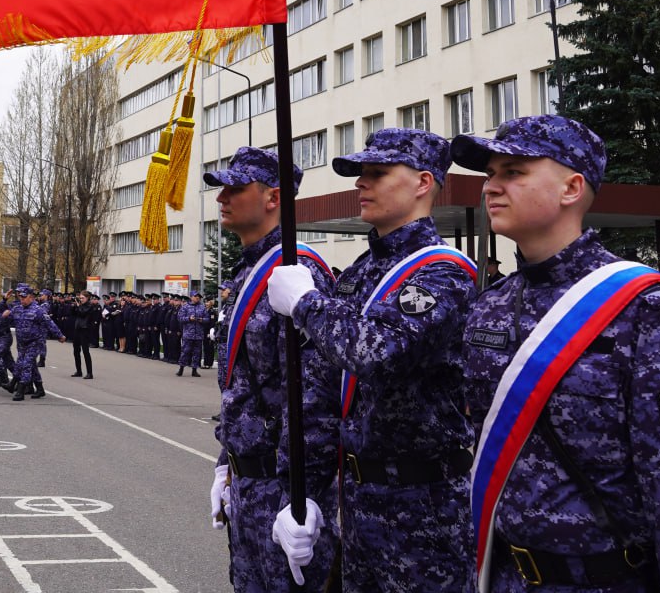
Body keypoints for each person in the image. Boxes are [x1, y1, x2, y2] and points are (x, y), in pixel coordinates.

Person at [450, 115, 660, 593]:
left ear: (571, 188)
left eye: (513, 172)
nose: (491, 187)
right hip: (501, 574)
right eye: (489, 174)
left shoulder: (645, 305)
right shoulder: (491, 303)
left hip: (601, 580)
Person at [267, 129, 478, 593]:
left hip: (423, 511)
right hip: (357, 502)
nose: (362, 183)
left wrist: (306, 303)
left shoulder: (442, 271)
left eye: (378, 173)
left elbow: (376, 352)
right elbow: (323, 388)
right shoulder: (361, 272)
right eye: (360, 174)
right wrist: (302, 494)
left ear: (423, 182)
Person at [205, 146, 341, 593]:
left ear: (273, 198)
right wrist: (227, 463)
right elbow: (246, 387)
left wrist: (306, 499)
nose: (223, 197)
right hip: (248, 483)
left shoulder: (297, 274)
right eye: (221, 188)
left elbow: (316, 398)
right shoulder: (246, 275)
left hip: (283, 491)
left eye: (236, 188)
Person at [4, 284, 66, 401]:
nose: (21, 299)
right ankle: (39, 388)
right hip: (22, 343)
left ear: (31, 297)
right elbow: (7, 319)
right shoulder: (17, 309)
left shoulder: (38, 310)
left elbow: (50, 323)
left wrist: (60, 335)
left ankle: (20, 390)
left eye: (24, 297)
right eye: (20, 297)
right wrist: (5, 313)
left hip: (35, 342)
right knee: (25, 365)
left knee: (26, 365)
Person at [177, 292, 209, 377]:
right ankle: (181, 368)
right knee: (185, 352)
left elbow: (207, 319)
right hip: (188, 334)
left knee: (197, 353)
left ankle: (194, 370)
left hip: (198, 335)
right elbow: (180, 318)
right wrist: (188, 319)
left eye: (199, 297)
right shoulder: (185, 307)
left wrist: (202, 320)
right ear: (191, 297)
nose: (197, 298)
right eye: (195, 296)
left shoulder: (202, 307)